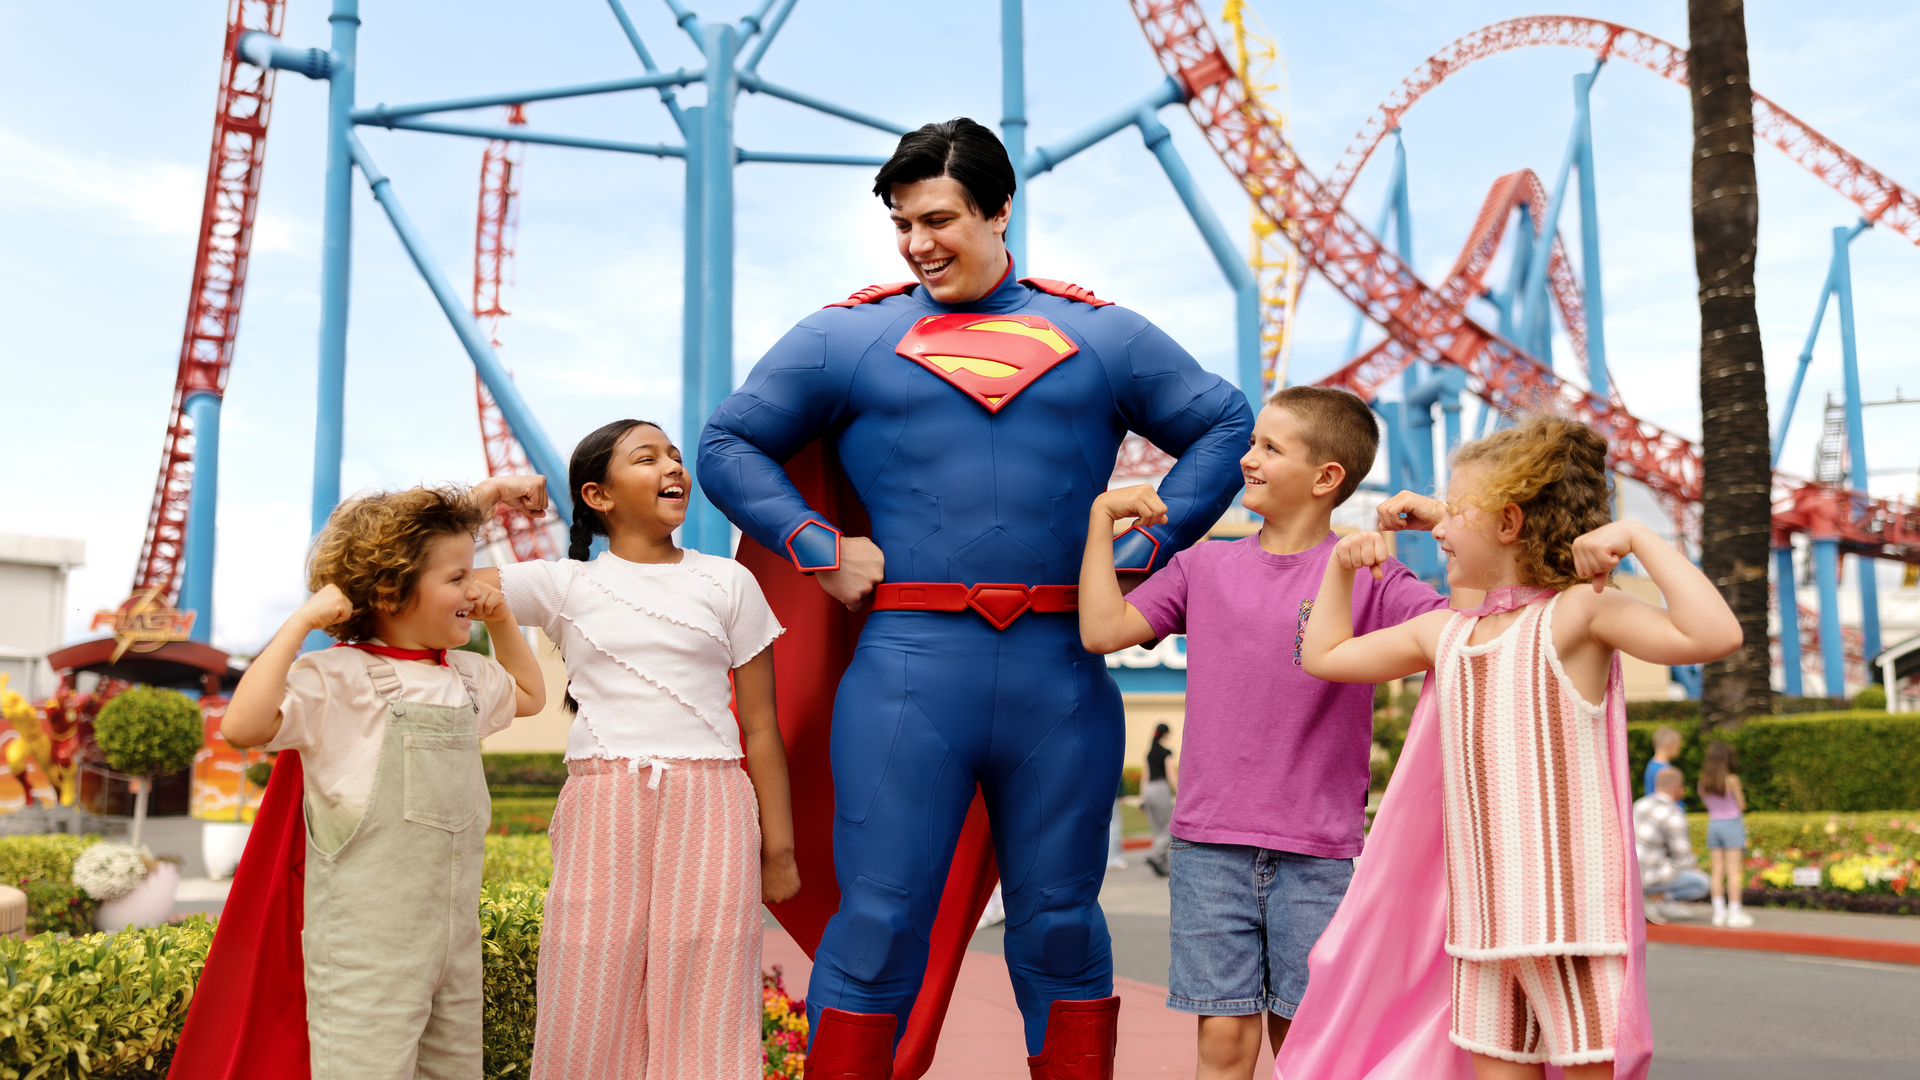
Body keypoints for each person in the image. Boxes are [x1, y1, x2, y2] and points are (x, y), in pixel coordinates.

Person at [698, 117, 1252, 1077]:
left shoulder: (1102, 334)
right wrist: (815, 542)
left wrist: (1143, 546)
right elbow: (727, 444)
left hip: (1061, 674)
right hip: (909, 666)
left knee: (1062, 931)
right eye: (904, 224)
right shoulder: (847, 334)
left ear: (1001, 209)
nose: (919, 244)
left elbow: (1223, 425)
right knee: (871, 929)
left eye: (940, 218)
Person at [1299, 415, 1742, 1079]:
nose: (1439, 527)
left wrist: (1639, 536)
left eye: (1455, 512)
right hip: (1482, 932)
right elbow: (1325, 656)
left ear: (1508, 523)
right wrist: (1339, 568)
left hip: (1575, 926)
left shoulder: (1577, 615)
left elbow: (1715, 634)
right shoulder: (1444, 633)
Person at [1079, 386, 1447, 1080]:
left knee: (1310, 1050)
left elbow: (1475, 633)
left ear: (1326, 477)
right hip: (1208, 847)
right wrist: (1101, 519)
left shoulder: (1371, 574)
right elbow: (1102, 630)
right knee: (1222, 1045)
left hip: (1319, 855)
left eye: (1269, 448)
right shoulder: (1201, 566)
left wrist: (1447, 520)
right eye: (1252, 443)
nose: (1247, 459)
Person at [477, 421, 798, 1080]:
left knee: (709, 996)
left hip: (714, 804)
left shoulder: (729, 583)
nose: (672, 467)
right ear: (597, 494)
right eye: (646, 458)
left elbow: (761, 728)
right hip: (603, 801)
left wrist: (780, 851)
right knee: (587, 982)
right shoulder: (563, 585)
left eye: (674, 456)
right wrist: (489, 497)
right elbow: (429, 575)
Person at [211, 485, 547, 1079]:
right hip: (365, 955)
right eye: (457, 578)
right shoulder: (336, 677)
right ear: (391, 592)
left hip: (455, 949)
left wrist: (503, 623)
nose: (475, 589)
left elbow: (529, 696)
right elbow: (243, 725)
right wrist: (301, 623)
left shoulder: (467, 676)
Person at [1636, 765, 1712, 925]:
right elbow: (1683, 858)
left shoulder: (1639, 804)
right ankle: (1655, 899)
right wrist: (1693, 865)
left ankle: (1651, 899)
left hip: (1628, 875)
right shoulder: (1673, 813)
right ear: (1677, 787)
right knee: (1701, 882)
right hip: (1648, 878)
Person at [1700, 742, 1753, 927]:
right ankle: (1735, 913)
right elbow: (1742, 805)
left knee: (1716, 870)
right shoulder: (1732, 780)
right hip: (1731, 824)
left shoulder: (1703, 781)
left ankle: (1718, 913)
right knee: (1733, 871)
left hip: (1713, 824)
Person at [1141, 723, 1175, 878]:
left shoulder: (1149, 753)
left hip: (1148, 790)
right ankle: (1154, 854)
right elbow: (1171, 776)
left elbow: (1145, 776)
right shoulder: (1166, 752)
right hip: (1161, 787)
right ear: (1165, 734)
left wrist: (1142, 798)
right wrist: (1181, 792)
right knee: (1169, 827)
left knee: (1157, 828)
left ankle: (1163, 865)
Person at [1644, 725, 1681, 797]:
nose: (1678, 751)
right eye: (1678, 746)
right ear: (1670, 744)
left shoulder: (1651, 765)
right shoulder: (1664, 771)